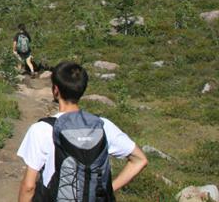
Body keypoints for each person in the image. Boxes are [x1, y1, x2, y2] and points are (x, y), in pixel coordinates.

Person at [16, 61, 147, 202]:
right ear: (82, 89)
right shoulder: (102, 125)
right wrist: (107, 189)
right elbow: (140, 160)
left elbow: (29, 187)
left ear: (55, 90)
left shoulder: (42, 129)